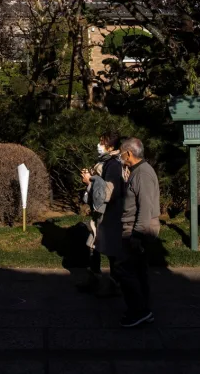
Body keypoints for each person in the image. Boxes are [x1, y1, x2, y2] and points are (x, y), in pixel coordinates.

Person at [115, 137, 160, 327]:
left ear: (129, 154)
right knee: (139, 271)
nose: (119, 156)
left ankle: (139, 310)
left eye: (121, 153)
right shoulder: (137, 171)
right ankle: (143, 309)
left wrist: (137, 235)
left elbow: (146, 207)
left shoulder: (142, 174)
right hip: (134, 227)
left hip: (137, 229)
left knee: (124, 270)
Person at [79, 130, 123, 294]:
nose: (99, 145)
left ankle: (114, 284)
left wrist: (89, 180)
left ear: (111, 146)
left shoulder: (113, 165)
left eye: (102, 143)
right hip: (102, 213)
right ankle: (94, 280)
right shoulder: (107, 162)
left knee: (109, 248)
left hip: (108, 214)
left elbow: (107, 193)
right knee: (94, 245)